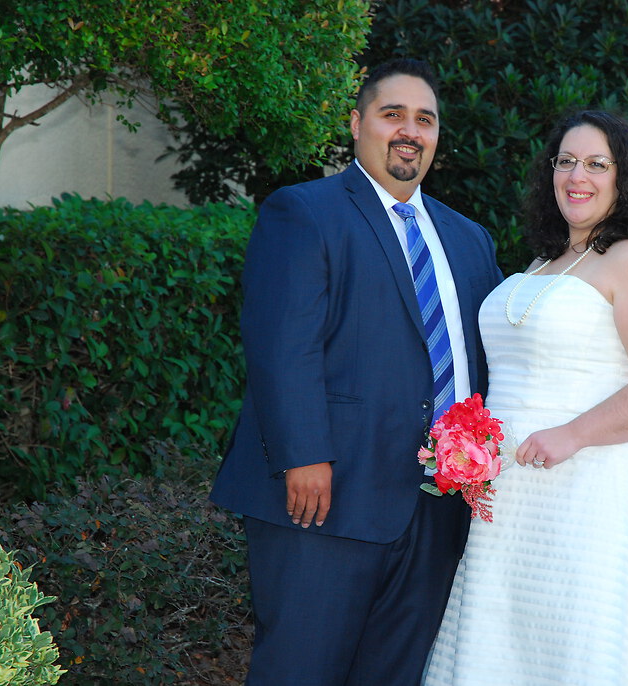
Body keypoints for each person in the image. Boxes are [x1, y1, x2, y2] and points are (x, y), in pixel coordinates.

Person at [210, 58, 502, 686]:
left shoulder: (469, 239)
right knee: (300, 670)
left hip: (435, 510)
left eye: (425, 119)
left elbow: (483, 360)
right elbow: (282, 346)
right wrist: (303, 455)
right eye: (392, 114)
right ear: (356, 123)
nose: (409, 131)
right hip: (324, 497)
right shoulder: (304, 212)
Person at [424, 111, 628, 685]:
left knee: (574, 640)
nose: (579, 176)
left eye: (598, 164)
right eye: (567, 161)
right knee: (507, 643)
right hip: (510, 497)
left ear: (624, 177)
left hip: (590, 487)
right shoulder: (545, 261)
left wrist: (573, 434)